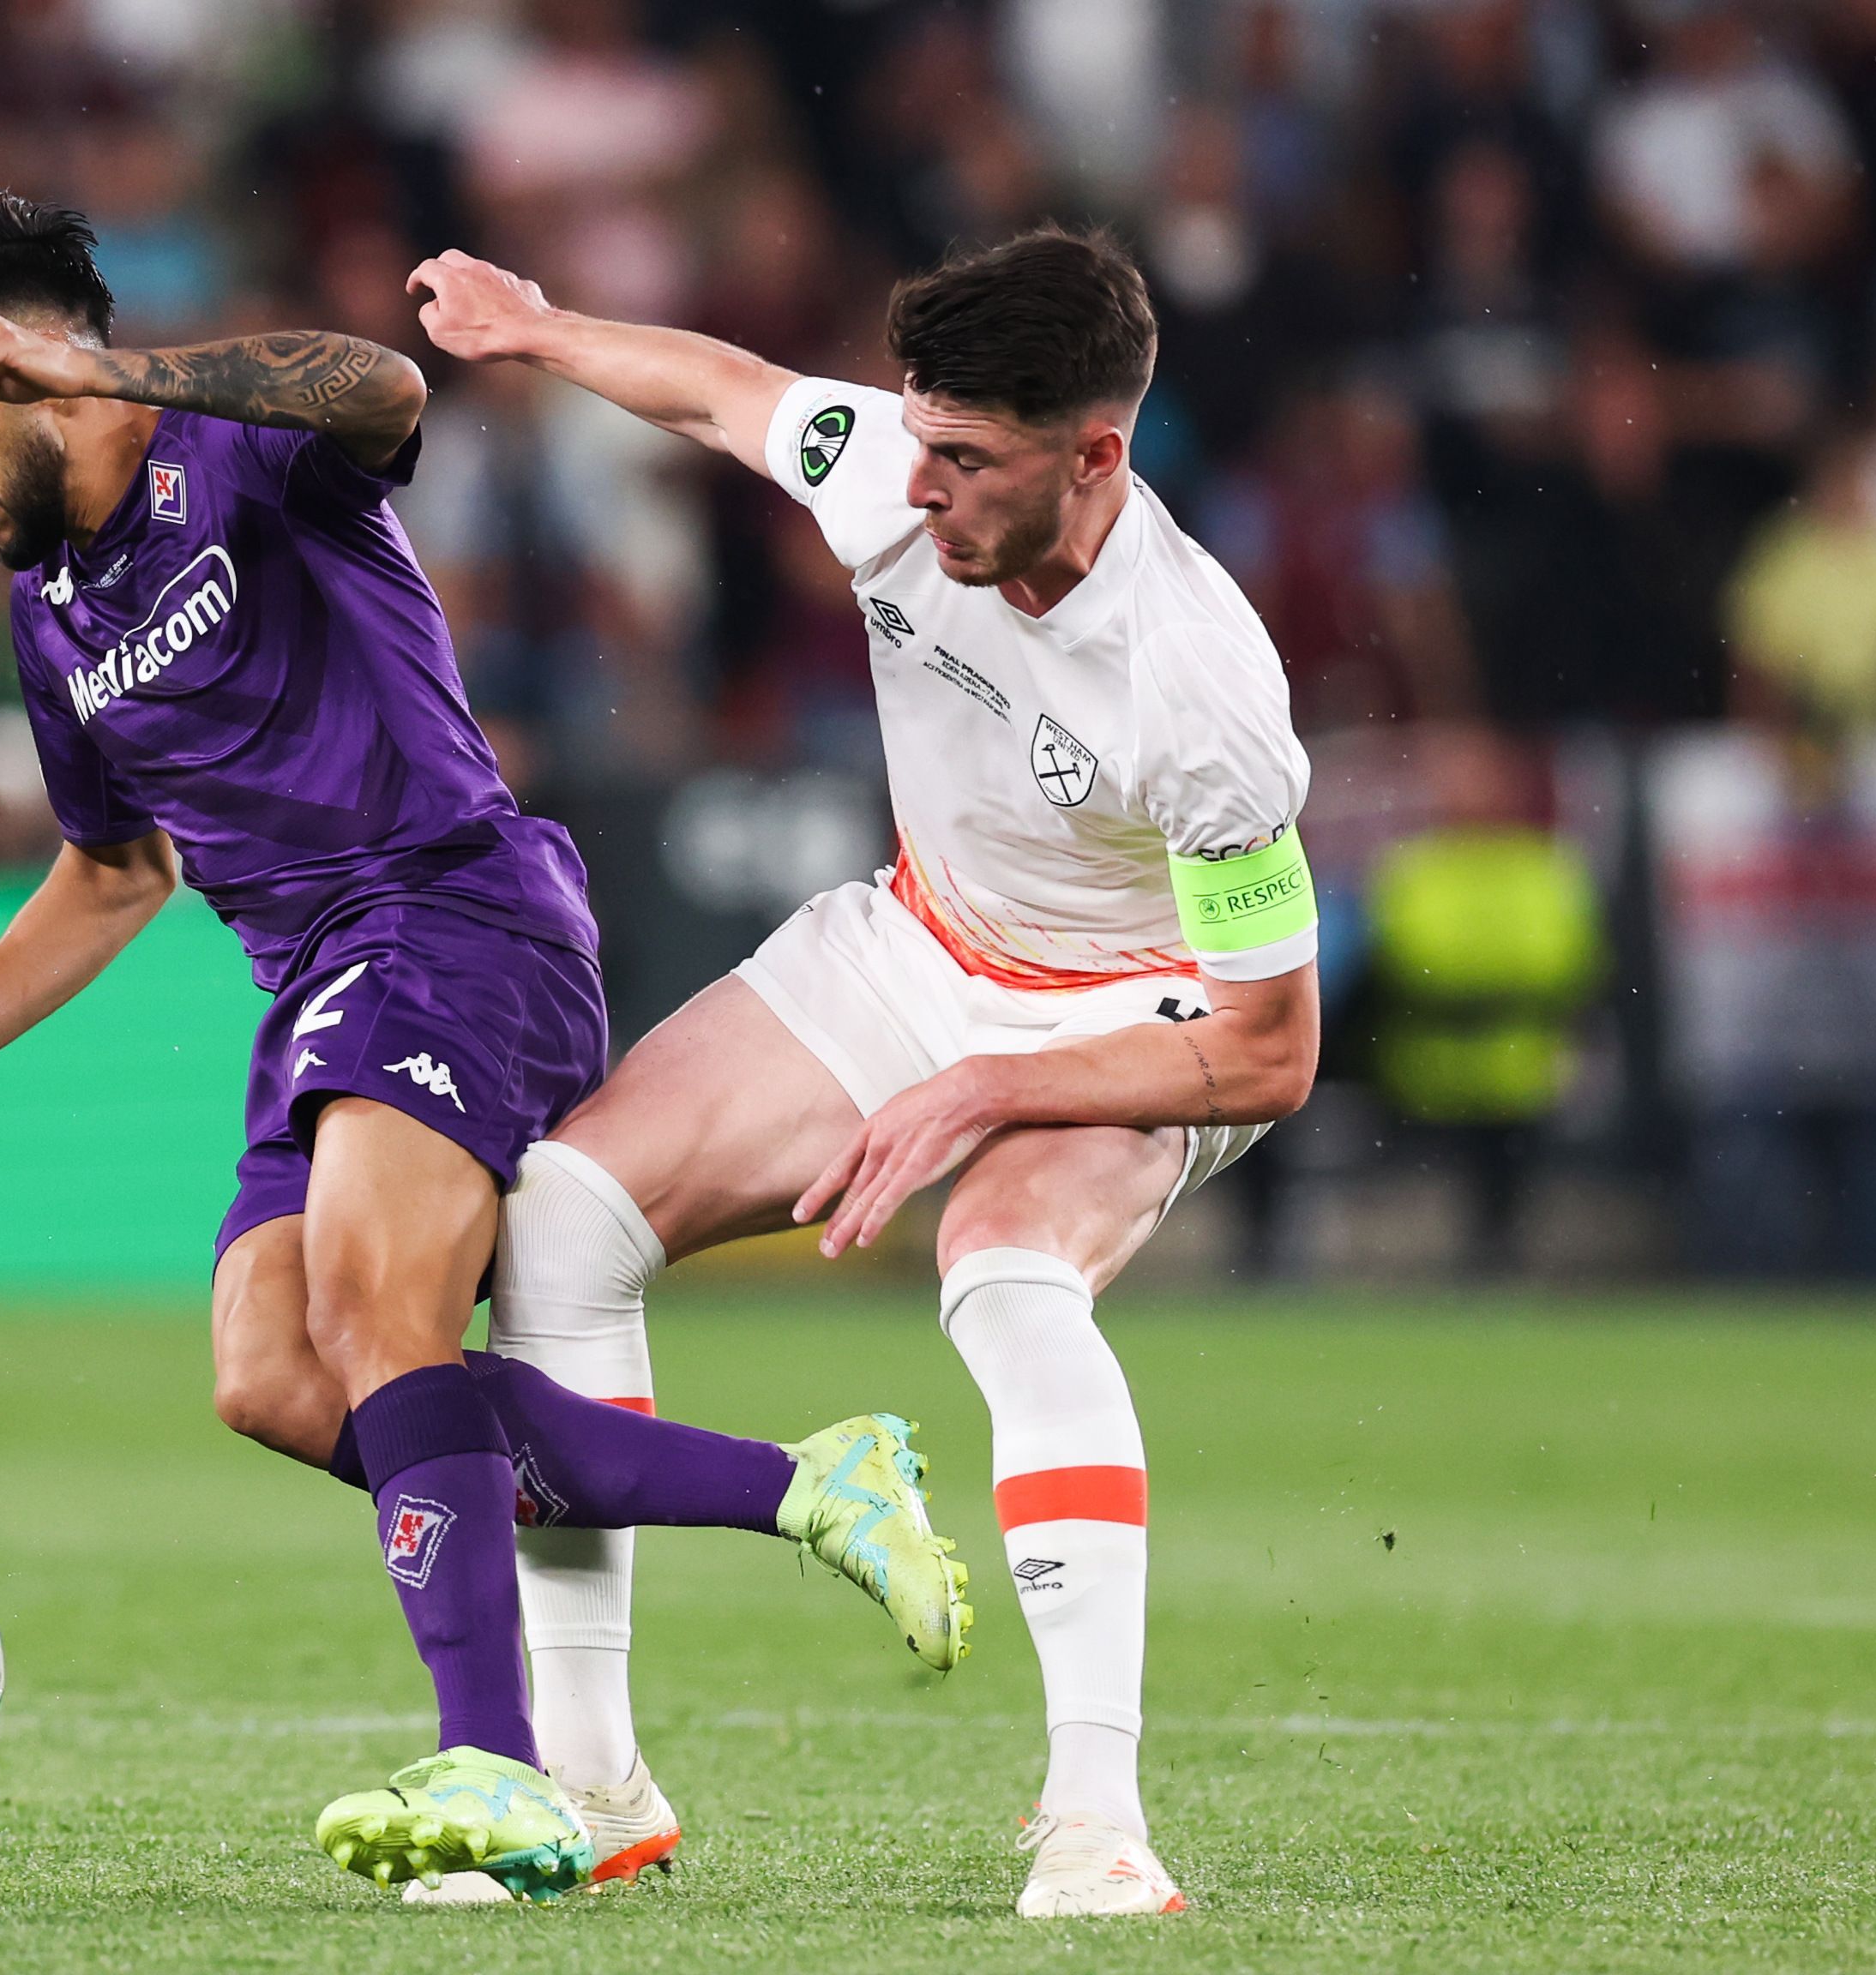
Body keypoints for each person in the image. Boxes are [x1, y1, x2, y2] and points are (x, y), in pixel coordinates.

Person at [0, 194, 969, 1902]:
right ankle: (810, 1484)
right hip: (315, 991)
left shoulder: (241, 449)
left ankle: (503, 1772)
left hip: (454, 916)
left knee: (373, 1320)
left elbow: (382, 388)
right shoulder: (46, 616)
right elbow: (119, 869)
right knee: (273, 1375)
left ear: (31, 367)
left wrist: (97, 360)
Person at [406, 225, 1321, 1918]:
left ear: (1095, 455)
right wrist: (537, 330)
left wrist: (991, 1094)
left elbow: (1270, 1052)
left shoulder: (1201, 695)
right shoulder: (896, 466)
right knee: (558, 1231)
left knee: (1008, 1276)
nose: (922, 488)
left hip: (1137, 1008)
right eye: (917, 437)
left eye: (969, 463)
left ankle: (1095, 1823)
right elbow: (727, 395)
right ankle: (591, 1788)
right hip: (918, 948)